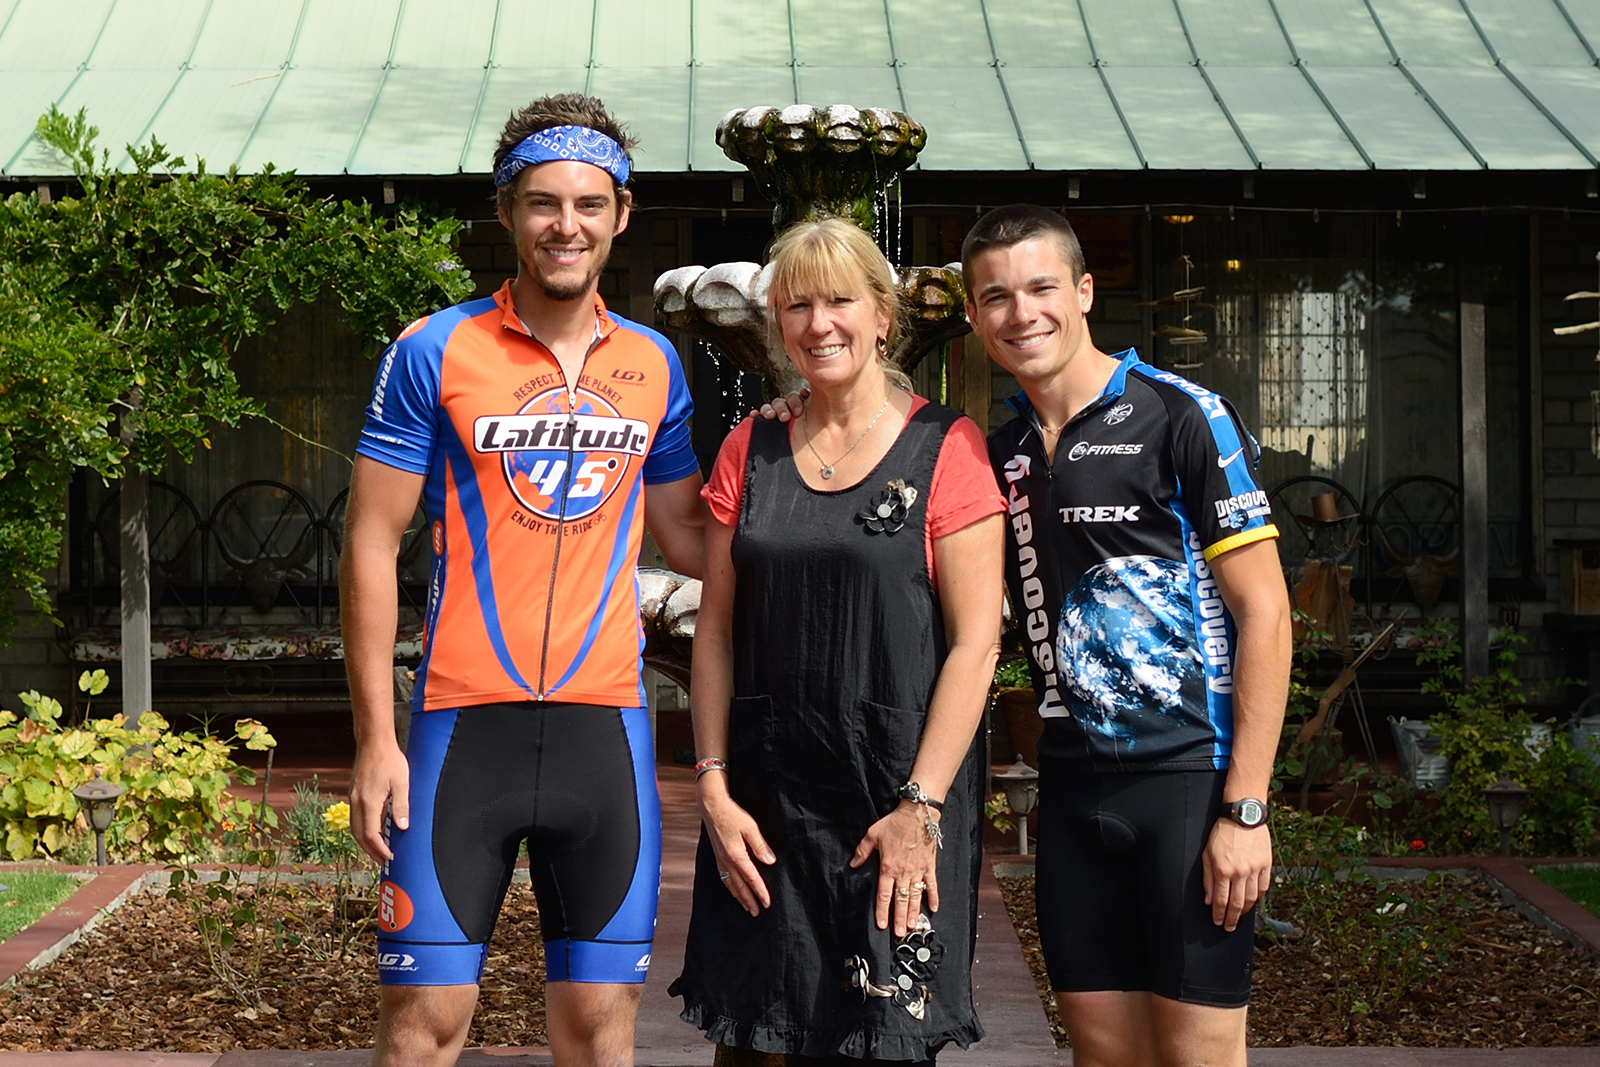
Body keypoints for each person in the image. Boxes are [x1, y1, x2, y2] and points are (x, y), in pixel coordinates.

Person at [342, 93, 706, 1067]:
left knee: (599, 1028)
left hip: (605, 730)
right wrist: (375, 738)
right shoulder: (434, 348)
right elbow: (370, 542)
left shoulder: (654, 364)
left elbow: (689, 535)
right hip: (460, 731)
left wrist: (815, 476)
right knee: (423, 1027)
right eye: (543, 202)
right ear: (507, 211)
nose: (565, 225)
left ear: (621, 214)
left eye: (589, 203)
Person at [670, 217, 1006, 1066]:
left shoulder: (948, 447)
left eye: (840, 302)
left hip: (895, 805)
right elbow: (715, 631)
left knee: (880, 1043)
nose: (819, 323)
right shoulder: (752, 445)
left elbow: (976, 646)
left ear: (883, 315)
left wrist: (920, 808)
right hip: (765, 812)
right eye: (797, 306)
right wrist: (713, 787)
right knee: (758, 1042)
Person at [965, 204, 1291, 1067]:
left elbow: (1266, 611)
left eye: (1041, 287)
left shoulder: (1181, 414)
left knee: (1200, 1057)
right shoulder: (999, 452)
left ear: (1083, 291)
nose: (1021, 313)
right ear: (973, 315)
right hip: (1072, 791)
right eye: (996, 296)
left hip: (1189, 784)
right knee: (1104, 1055)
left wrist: (1246, 807)